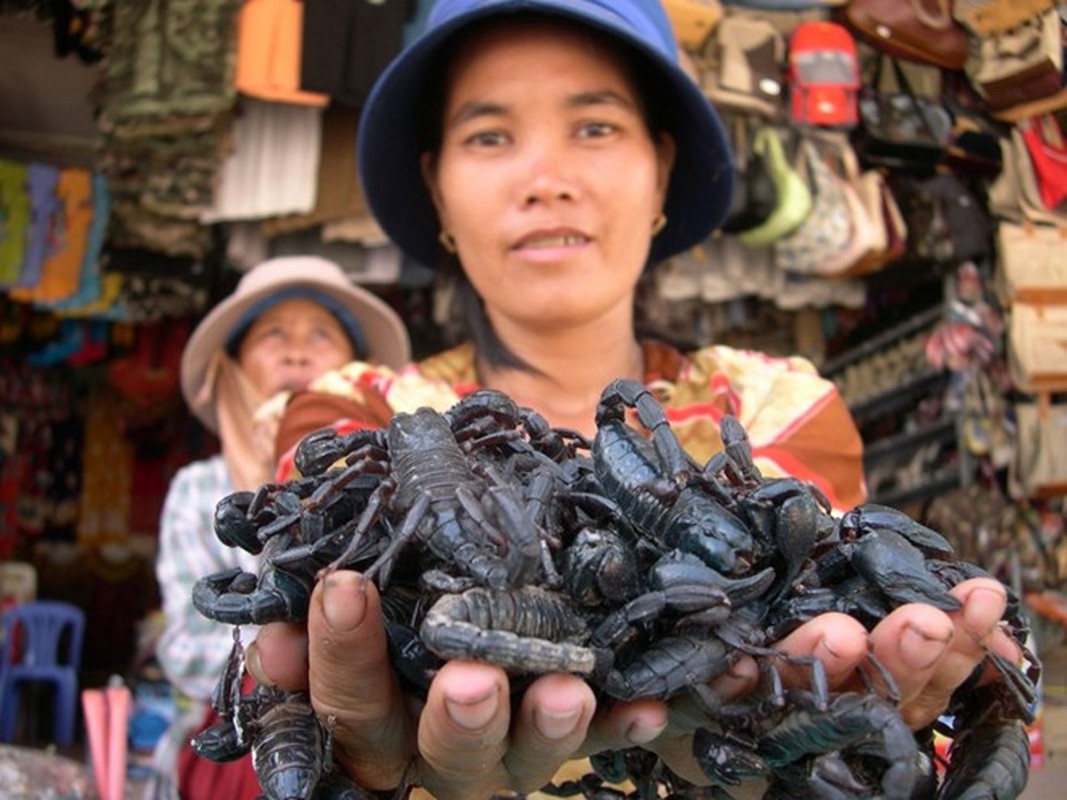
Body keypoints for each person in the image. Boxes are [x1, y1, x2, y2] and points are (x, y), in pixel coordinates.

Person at [246, 2, 1025, 798]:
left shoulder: (770, 400)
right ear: (435, 187)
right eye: (488, 136)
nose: (545, 181)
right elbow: (310, 595)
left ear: (660, 169)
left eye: (594, 127)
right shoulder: (356, 408)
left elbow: (805, 603)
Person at [152, 256, 410, 799]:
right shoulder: (201, 489)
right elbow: (184, 650)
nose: (296, 350)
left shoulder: (392, 483)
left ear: (353, 368)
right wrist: (317, 643)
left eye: (322, 333)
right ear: (236, 365)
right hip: (251, 750)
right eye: (273, 334)